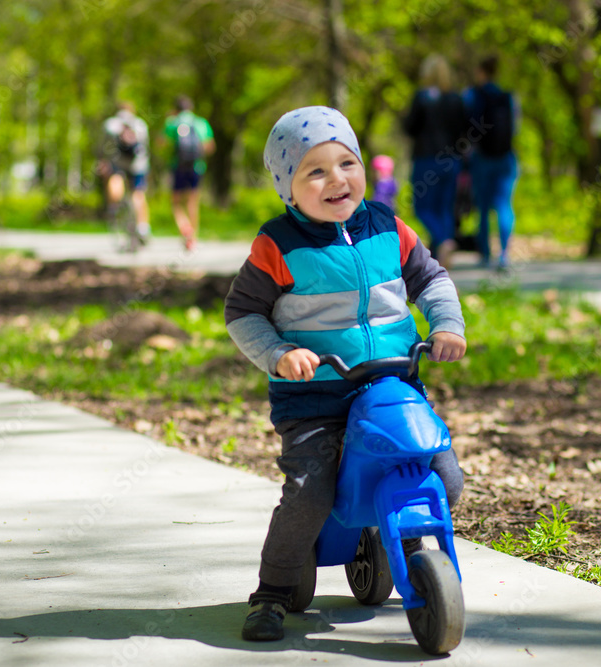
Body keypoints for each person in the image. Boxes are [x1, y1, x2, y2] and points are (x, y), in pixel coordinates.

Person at [225, 106, 467, 642]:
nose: (337, 179)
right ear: (288, 189)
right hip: (315, 397)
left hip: (392, 384)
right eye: (315, 171)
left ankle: (406, 546)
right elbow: (242, 313)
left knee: (445, 477)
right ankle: (271, 591)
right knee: (311, 491)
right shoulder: (278, 244)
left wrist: (446, 324)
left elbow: (431, 278)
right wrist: (279, 353)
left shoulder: (388, 226)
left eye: (346, 163)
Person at [402, 54, 467, 269]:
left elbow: (410, 127)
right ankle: (442, 251)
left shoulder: (421, 98)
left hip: (427, 159)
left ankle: (443, 240)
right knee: (444, 208)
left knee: (422, 208)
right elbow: (464, 131)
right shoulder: (456, 99)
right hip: (451, 160)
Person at [463, 55, 519, 270]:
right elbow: (515, 128)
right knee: (504, 205)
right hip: (505, 158)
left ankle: (485, 255)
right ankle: (504, 254)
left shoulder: (473, 95)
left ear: (481, 72)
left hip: (482, 158)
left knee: (484, 208)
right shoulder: (508, 97)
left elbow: (467, 127)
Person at [163, 95, 215, 251]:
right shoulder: (200, 123)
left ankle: (184, 227)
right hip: (197, 166)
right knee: (192, 201)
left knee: (176, 202)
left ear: (176, 109)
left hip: (178, 166)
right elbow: (210, 146)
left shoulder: (172, 123)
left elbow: (162, 143)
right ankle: (193, 237)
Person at [101, 102, 151, 241]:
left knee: (115, 178)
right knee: (138, 193)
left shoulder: (110, 124)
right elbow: (145, 146)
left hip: (118, 162)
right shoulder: (140, 124)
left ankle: (115, 207)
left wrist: (102, 160)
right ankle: (143, 227)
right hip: (138, 164)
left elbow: (103, 146)